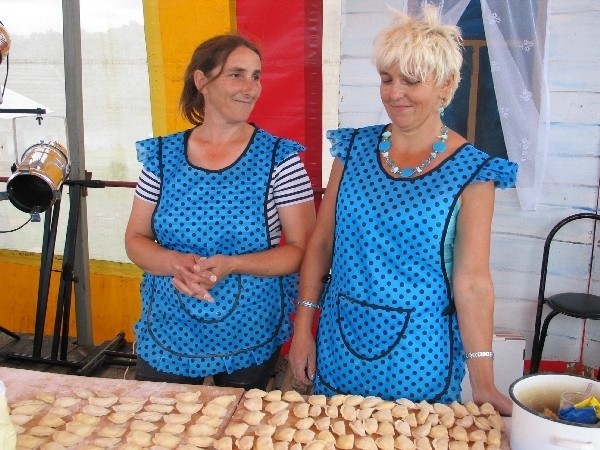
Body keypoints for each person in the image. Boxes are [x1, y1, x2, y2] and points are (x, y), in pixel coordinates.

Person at [289, 5, 517, 415]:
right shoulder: (353, 149)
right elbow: (322, 244)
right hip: (341, 343)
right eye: (387, 78)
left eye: (411, 81)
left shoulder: (474, 172)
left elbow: (473, 282)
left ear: (446, 85)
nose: (395, 93)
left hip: (419, 356)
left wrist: (483, 382)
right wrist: (303, 328)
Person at [125, 34, 316, 390]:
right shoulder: (162, 157)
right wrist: (175, 264)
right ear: (202, 81)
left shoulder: (280, 159)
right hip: (170, 326)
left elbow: (302, 251)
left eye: (256, 76)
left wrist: (233, 263)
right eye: (237, 74)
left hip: (250, 327)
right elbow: (135, 239)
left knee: (239, 429)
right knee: (165, 428)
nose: (251, 88)